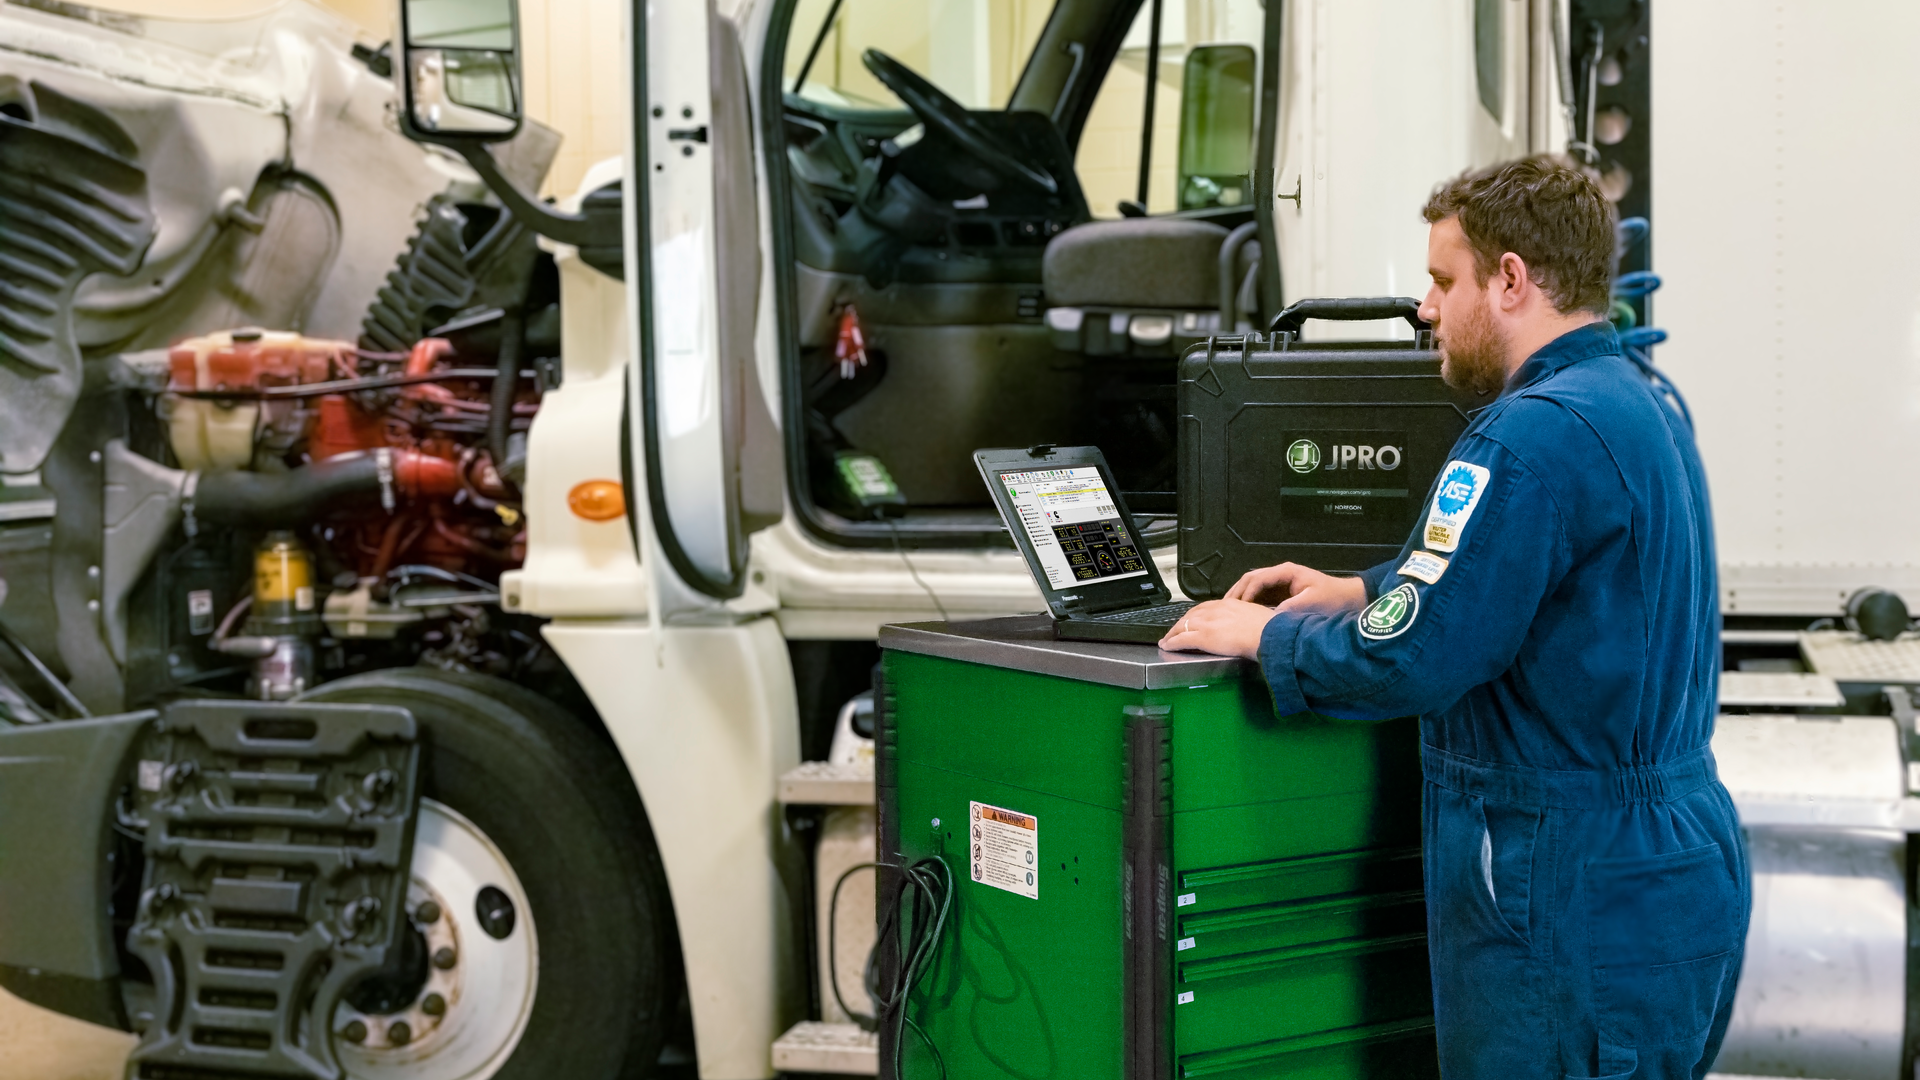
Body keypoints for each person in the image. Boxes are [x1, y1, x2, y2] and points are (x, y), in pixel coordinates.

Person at [1159, 156, 1748, 1080]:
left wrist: (1265, 636)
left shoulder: (1527, 433)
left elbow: (1415, 659)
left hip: (1564, 880)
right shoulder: (1642, 403)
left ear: (1510, 280)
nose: (1426, 308)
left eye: (1442, 280)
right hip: (1670, 866)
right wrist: (1359, 588)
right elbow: (1535, 574)